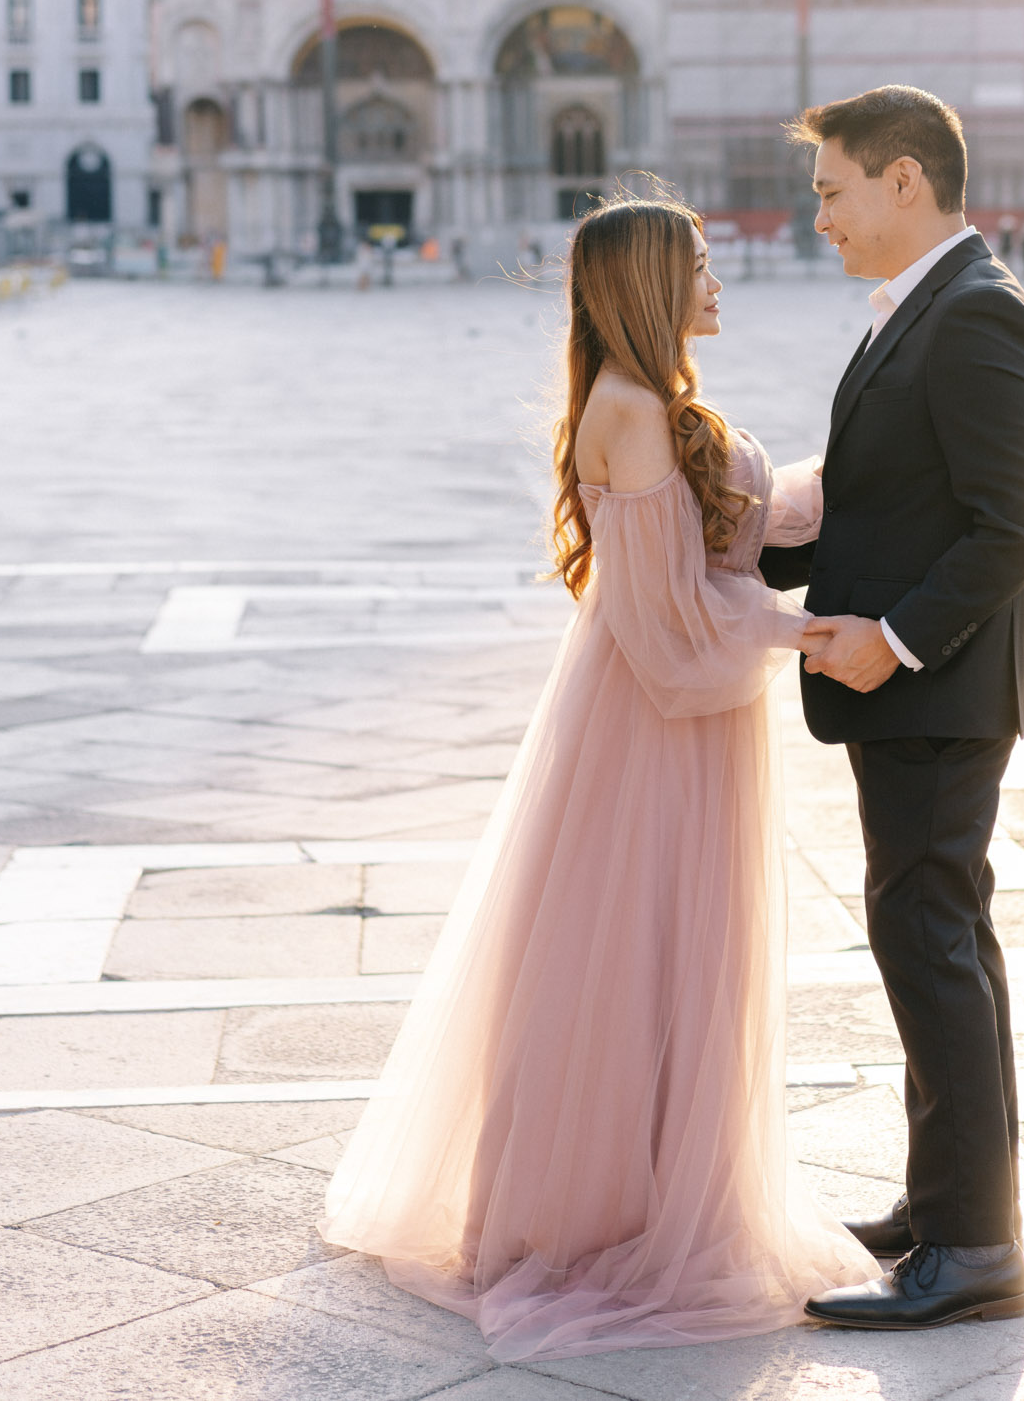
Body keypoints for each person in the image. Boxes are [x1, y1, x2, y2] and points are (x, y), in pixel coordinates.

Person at [321, 196, 876, 1359]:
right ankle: (608, 1209)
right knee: (636, 951)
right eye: (701, 266)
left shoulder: (656, 404)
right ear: (649, 285)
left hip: (690, 725)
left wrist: (872, 437)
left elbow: (742, 527)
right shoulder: (627, 411)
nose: (719, 281)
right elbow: (665, 625)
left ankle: (659, 1184)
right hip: (652, 727)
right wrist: (805, 634)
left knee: (672, 950)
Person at [758, 84, 1024, 1332]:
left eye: (831, 189)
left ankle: (976, 1250)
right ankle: (948, 1206)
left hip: (938, 695)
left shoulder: (976, 315)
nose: (817, 214)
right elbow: (882, 500)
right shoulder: (916, 314)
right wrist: (753, 549)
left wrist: (894, 639)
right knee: (934, 942)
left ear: (903, 181)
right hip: (917, 699)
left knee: (930, 946)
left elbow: (1022, 516)